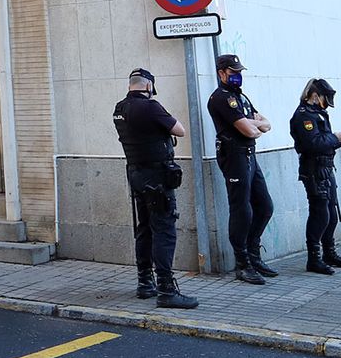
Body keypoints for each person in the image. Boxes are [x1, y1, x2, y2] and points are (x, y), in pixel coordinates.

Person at [113, 67, 198, 309]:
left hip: (136, 174)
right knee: (164, 230)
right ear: (149, 86)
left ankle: (145, 282)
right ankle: (166, 290)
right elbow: (179, 130)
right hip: (157, 177)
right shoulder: (151, 107)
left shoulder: (119, 109)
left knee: (144, 228)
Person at [207, 54, 276, 284]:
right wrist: (253, 124)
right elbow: (252, 131)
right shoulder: (221, 98)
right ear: (221, 73)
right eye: (233, 72)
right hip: (234, 156)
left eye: (239, 72)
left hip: (249, 155)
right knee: (241, 210)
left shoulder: (241, 97)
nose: (237, 76)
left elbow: (266, 124)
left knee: (265, 206)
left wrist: (251, 123)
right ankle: (242, 264)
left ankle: (253, 254)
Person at [290, 78, 341, 275]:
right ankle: (314, 259)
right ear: (315, 96)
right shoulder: (304, 116)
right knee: (320, 214)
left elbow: (322, 141)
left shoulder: (318, 113)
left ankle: (329, 253)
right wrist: (335, 138)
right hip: (313, 170)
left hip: (326, 168)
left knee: (331, 213)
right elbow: (313, 143)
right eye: (325, 98)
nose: (326, 103)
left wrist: (336, 139)